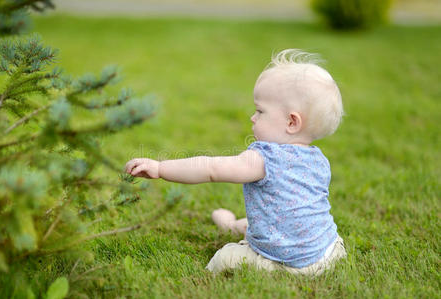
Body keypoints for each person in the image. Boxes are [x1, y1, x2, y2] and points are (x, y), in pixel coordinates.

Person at [125, 49, 346, 275]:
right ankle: (233, 225)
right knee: (278, 221)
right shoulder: (319, 159)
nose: (253, 117)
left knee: (226, 257)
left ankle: (211, 268)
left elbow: (210, 169)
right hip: (327, 250)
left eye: (260, 111)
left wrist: (160, 168)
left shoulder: (264, 158)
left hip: (289, 263)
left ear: (292, 122)